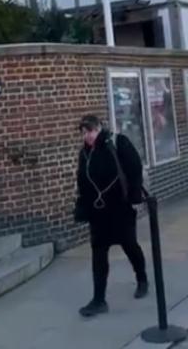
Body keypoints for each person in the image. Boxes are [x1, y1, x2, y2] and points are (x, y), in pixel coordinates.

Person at [73, 115, 148, 317]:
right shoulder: (85, 153)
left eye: (90, 131)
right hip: (98, 212)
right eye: (83, 133)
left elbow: (135, 168)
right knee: (98, 253)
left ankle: (142, 279)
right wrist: (82, 206)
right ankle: (99, 299)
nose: (87, 136)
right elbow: (82, 180)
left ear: (99, 128)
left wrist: (134, 198)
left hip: (120, 207)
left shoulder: (117, 143)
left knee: (129, 245)